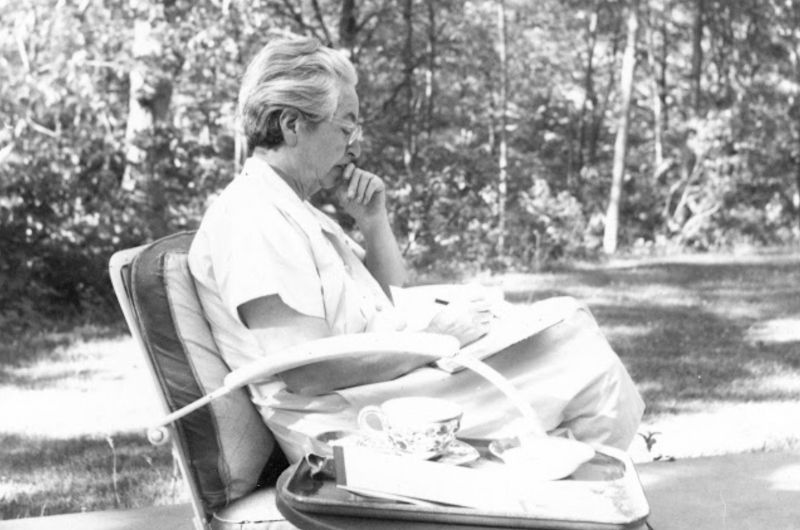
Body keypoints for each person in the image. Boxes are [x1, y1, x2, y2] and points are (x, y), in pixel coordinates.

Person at [188, 35, 644, 463]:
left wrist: (373, 222)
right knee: (584, 363)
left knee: (568, 328)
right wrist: (434, 342)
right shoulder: (251, 217)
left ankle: (579, 489)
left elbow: (385, 298)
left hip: (374, 389)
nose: (354, 146)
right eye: (346, 127)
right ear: (292, 125)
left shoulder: (290, 209)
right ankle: (591, 495)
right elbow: (308, 371)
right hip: (345, 421)